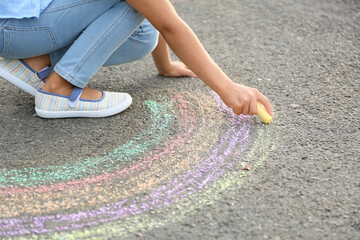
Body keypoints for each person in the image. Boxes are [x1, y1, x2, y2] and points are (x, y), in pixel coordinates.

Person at [0, 0, 273, 119]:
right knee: (135, 7)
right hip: (14, 27)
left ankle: (37, 59)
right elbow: (169, 24)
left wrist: (164, 66)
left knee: (143, 37)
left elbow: (157, 12)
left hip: (19, 22)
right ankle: (59, 88)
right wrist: (228, 88)